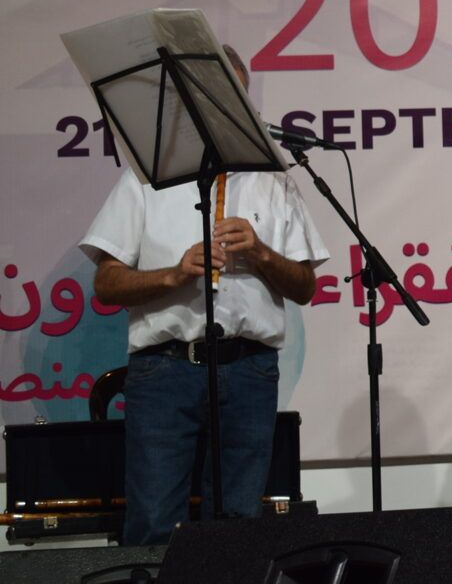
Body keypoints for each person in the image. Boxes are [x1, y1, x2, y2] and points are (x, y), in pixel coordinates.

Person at [80, 45, 328, 546]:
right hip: (165, 371)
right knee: (154, 524)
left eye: (233, 96)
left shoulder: (273, 180)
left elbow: (304, 287)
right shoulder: (145, 179)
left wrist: (260, 253)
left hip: (251, 371)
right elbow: (106, 283)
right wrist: (173, 275)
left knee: (238, 529)